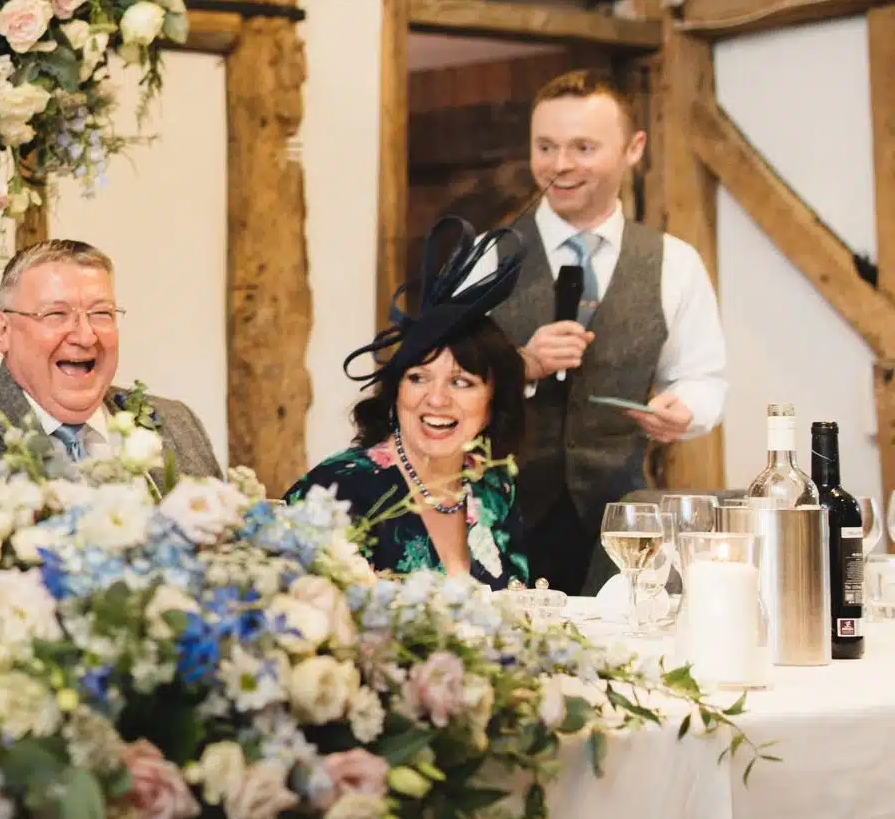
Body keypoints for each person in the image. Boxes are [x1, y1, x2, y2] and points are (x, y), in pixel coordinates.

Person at [488, 71, 728, 595]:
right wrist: (521, 364)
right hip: (497, 521)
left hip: (624, 532)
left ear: (633, 148)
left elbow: (703, 377)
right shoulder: (487, 258)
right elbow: (434, 376)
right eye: (545, 146)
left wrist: (684, 409)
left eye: (583, 147)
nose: (560, 165)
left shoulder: (675, 264)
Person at [287, 218, 531, 588]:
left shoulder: (493, 486)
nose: (436, 399)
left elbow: (521, 608)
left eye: (461, 382)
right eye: (418, 377)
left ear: (493, 402)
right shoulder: (338, 489)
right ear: (396, 390)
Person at [0, 239, 222, 493]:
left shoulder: (176, 423)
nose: (85, 335)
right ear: (3, 331)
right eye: (56, 314)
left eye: (101, 314)